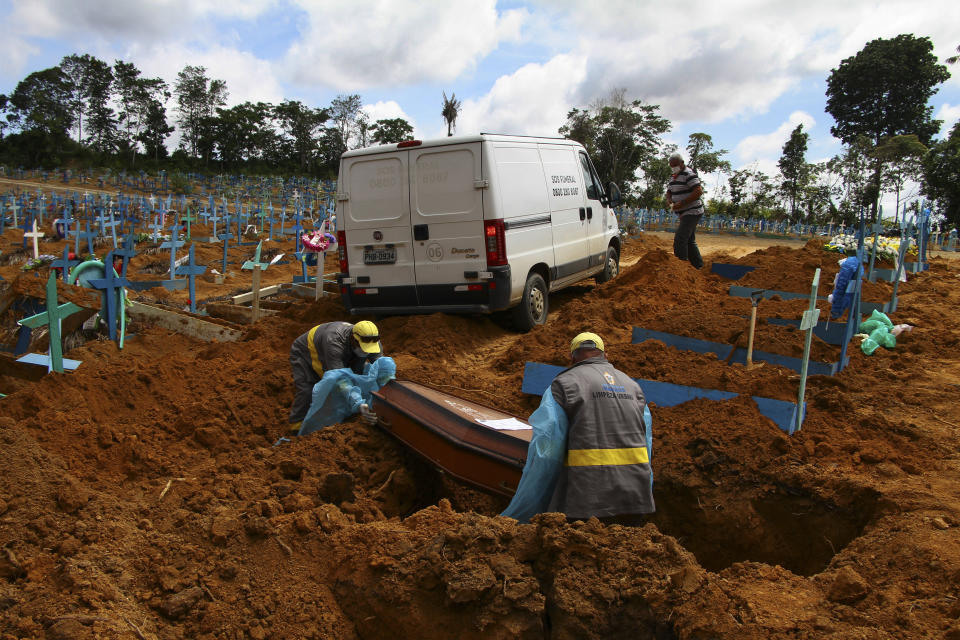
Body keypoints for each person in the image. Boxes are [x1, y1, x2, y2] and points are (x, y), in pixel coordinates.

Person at [547, 332, 655, 524]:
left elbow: (548, 444)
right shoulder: (633, 386)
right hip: (635, 496)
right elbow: (646, 441)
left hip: (587, 500)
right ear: (605, 355)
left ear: (572, 357)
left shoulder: (565, 383)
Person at [287, 320, 383, 433]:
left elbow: (382, 367)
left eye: (368, 349)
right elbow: (340, 379)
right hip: (306, 352)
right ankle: (296, 427)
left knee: (356, 374)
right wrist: (358, 403)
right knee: (308, 389)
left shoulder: (373, 341)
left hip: (343, 351)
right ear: (353, 339)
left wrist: (387, 384)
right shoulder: (334, 342)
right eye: (362, 347)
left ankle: (344, 413)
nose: (365, 352)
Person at [664, 152, 705, 269]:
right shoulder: (673, 176)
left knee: (680, 239)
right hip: (683, 212)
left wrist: (682, 203)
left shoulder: (689, 174)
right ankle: (698, 266)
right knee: (689, 240)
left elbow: (698, 191)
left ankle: (681, 267)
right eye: (671, 166)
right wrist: (669, 199)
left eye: (675, 165)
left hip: (692, 211)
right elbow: (669, 191)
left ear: (682, 163)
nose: (673, 168)